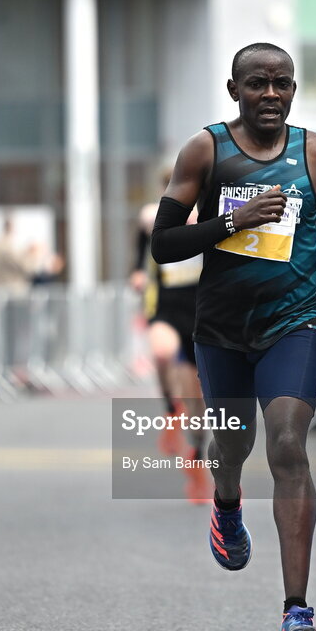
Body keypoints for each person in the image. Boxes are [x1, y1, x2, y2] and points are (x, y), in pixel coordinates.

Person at [151, 42, 316, 631]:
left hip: (293, 324)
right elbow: (164, 245)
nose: (271, 94)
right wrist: (231, 221)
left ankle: (298, 615)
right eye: (258, 84)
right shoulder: (206, 150)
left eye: (283, 84)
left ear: (294, 90)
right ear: (234, 89)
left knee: (289, 444)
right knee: (234, 446)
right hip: (220, 332)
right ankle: (226, 501)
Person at [132, 170, 210, 503]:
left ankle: (197, 459)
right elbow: (142, 240)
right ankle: (169, 410)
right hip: (165, 308)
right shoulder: (154, 217)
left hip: (201, 313)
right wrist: (137, 273)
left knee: (198, 403)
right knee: (162, 351)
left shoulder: (211, 216)